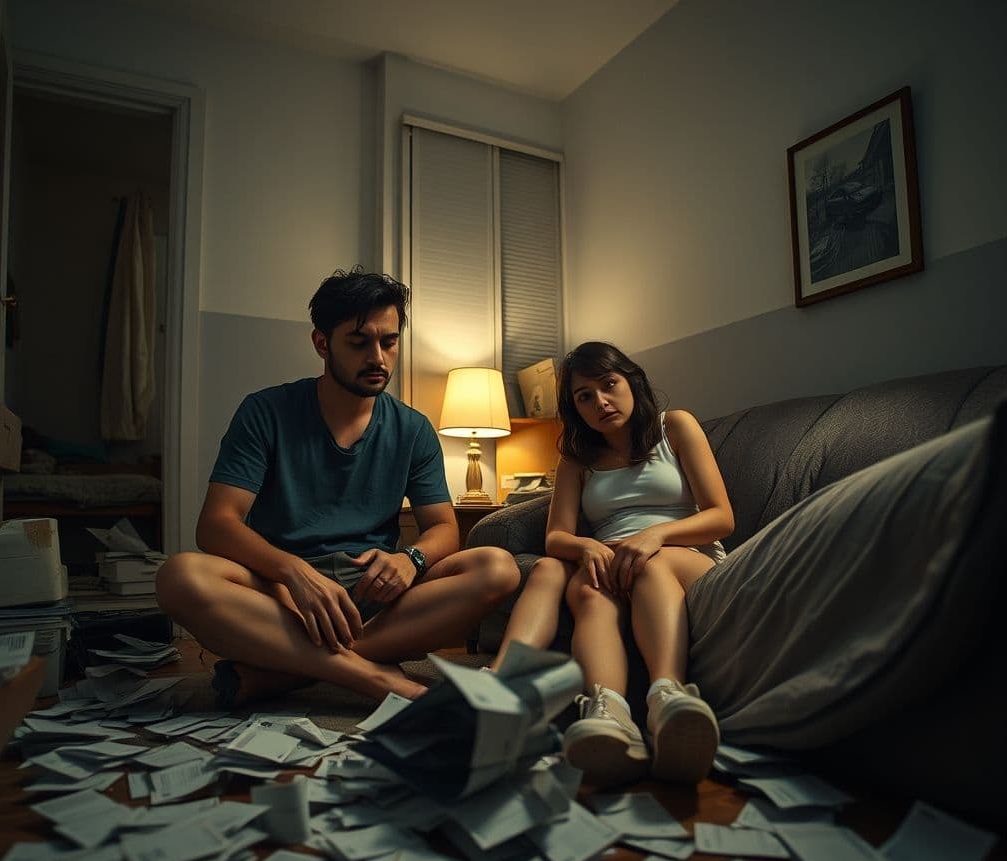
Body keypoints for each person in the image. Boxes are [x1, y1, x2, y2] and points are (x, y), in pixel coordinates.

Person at [156, 267, 520, 708]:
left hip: (376, 598)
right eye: (359, 342)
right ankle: (369, 676)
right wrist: (295, 572)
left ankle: (283, 673)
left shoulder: (413, 429)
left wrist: (411, 559)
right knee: (179, 576)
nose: (379, 358)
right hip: (283, 598)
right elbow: (216, 525)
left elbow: (443, 527)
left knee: (498, 567)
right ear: (322, 343)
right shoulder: (265, 411)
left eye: (389, 342)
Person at [495, 341, 733, 787]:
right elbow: (556, 536)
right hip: (611, 563)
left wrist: (655, 535)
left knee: (649, 563)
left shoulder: (674, 426)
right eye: (584, 396)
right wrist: (586, 547)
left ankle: (668, 696)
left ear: (631, 381)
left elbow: (721, 516)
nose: (600, 402)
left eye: (609, 385)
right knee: (579, 583)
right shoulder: (576, 457)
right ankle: (607, 712)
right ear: (575, 407)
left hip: (687, 554)